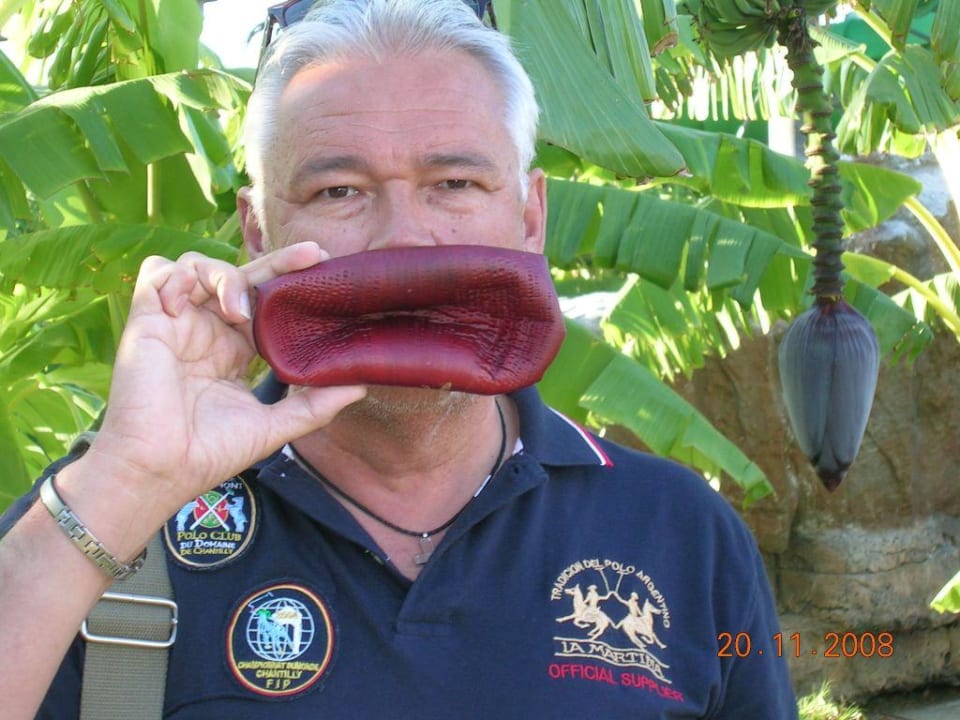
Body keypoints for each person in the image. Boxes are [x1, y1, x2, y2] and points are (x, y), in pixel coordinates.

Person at [0, 0, 799, 717]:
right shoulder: (103, 523)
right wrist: (126, 482)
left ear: (530, 217)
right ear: (256, 232)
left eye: (453, 181)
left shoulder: (680, 533)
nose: (404, 239)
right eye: (338, 192)